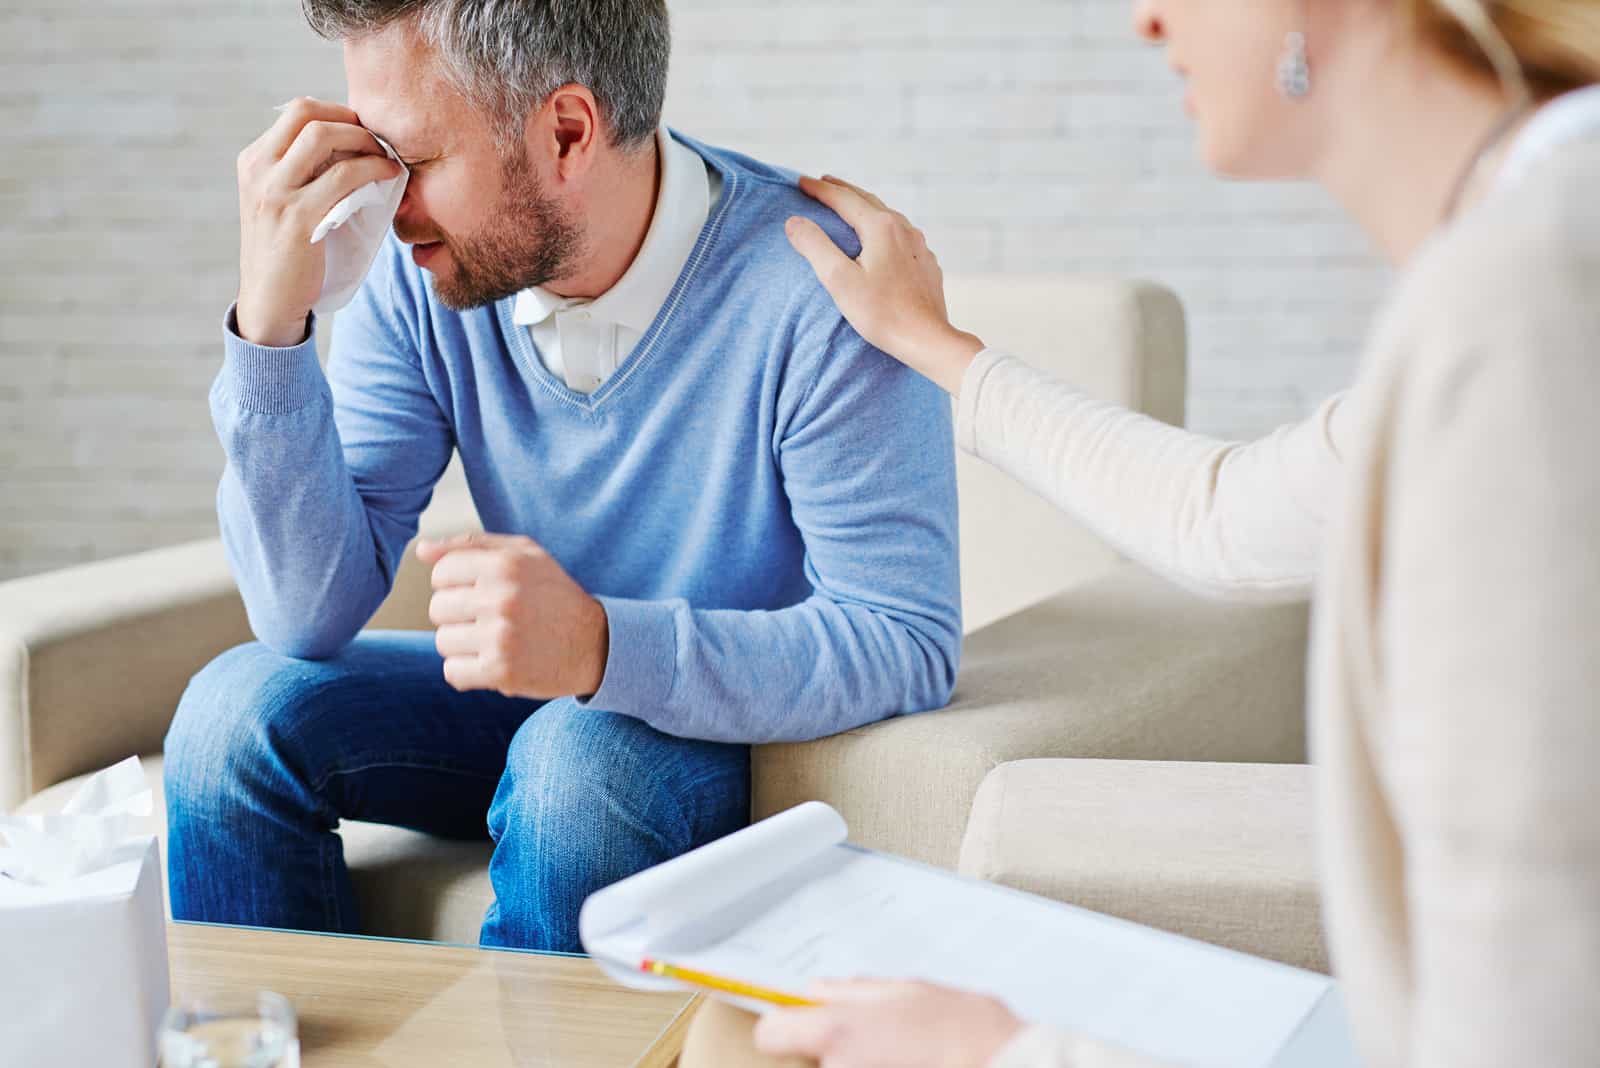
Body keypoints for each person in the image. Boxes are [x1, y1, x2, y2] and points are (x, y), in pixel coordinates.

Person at [681, 0, 1600, 1065]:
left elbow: (1529, 1011)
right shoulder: (1519, 256)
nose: (1148, 19)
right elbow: (1220, 514)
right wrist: (936, 347)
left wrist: (1000, 1056)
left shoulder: (1531, 302)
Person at [162, 0, 962, 954]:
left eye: (410, 161)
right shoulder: (417, 276)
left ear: (567, 133)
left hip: (738, 731)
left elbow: (905, 638)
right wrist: (271, 327)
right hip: (542, 705)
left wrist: (598, 646)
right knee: (229, 717)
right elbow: (304, 615)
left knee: (574, 764)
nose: (385, 203)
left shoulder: (823, 290)